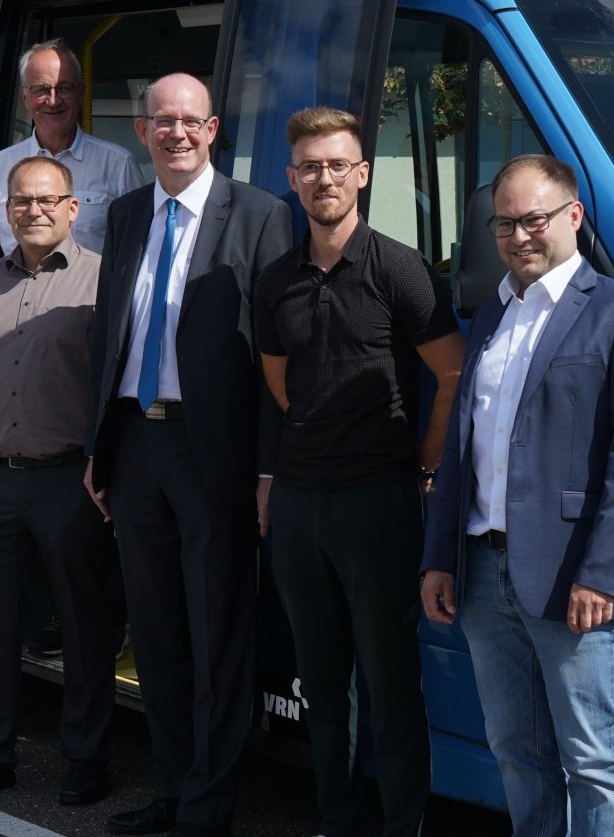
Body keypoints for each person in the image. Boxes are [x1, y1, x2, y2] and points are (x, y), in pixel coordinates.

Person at [419, 154, 614, 835]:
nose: (517, 235)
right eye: (504, 224)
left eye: (532, 219)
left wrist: (601, 573)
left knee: (593, 759)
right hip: (480, 573)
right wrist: (439, 557)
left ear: (573, 216)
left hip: (572, 580)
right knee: (515, 753)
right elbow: (459, 451)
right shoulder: (490, 315)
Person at [86, 73, 292, 837]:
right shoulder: (128, 213)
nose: (176, 133)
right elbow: (110, 334)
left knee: (218, 638)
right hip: (135, 442)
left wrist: (268, 468)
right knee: (157, 633)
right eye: (162, 121)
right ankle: (173, 792)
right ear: (142, 132)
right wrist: (95, 446)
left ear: (213, 132)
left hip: (217, 456)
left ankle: (208, 808)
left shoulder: (262, 215)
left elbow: (276, 360)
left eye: (191, 122)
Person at [252, 106, 465, 837]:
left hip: (379, 501)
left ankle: (402, 824)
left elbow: (451, 373)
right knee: (323, 679)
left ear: (362, 174)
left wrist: (427, 461)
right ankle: (336, 821)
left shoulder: (399, 267)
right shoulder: (275, 278)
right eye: (310, 167)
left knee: (392, 681)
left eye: (337, 164)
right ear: (292, 178)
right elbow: (280, 386)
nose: (324, 179)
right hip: (303, 503)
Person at [0, 155, 123, 805]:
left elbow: (120, 387)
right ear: (6, 209)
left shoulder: (104, 281)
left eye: (46, 199)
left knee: (85, 627)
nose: (33, 210)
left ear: (72, 208)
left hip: (72, 482)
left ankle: (87, 758)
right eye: (21, 200)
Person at [0, 40, 145, 258]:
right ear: (25, 97)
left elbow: (137, 250)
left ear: (81, 94)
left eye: (64, 88)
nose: (53, 101)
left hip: (91, 292)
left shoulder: (119, 165)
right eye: (41, 89)